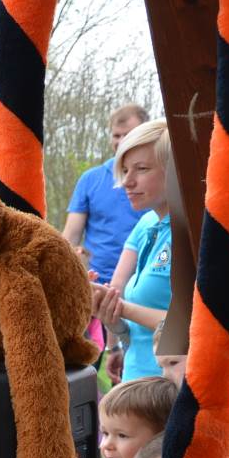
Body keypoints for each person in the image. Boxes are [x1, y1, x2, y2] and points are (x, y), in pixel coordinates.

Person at [92, 120, 174, 382]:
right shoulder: (146, 223)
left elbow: (194, 327)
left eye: (142, 168)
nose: (127, 181)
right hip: (135, 382)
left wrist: (123, 308)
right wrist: (109, 315)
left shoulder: (196, 232)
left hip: (168, 387)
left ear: (175, 169)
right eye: (125, 170)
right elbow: (131, 320)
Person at [62, 104, 149, 285]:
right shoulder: (90, 179)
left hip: (141, 286)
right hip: (95, 283)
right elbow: (71, 236)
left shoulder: (158, 181)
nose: (121, 141)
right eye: (116, 135)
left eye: (128, 134)